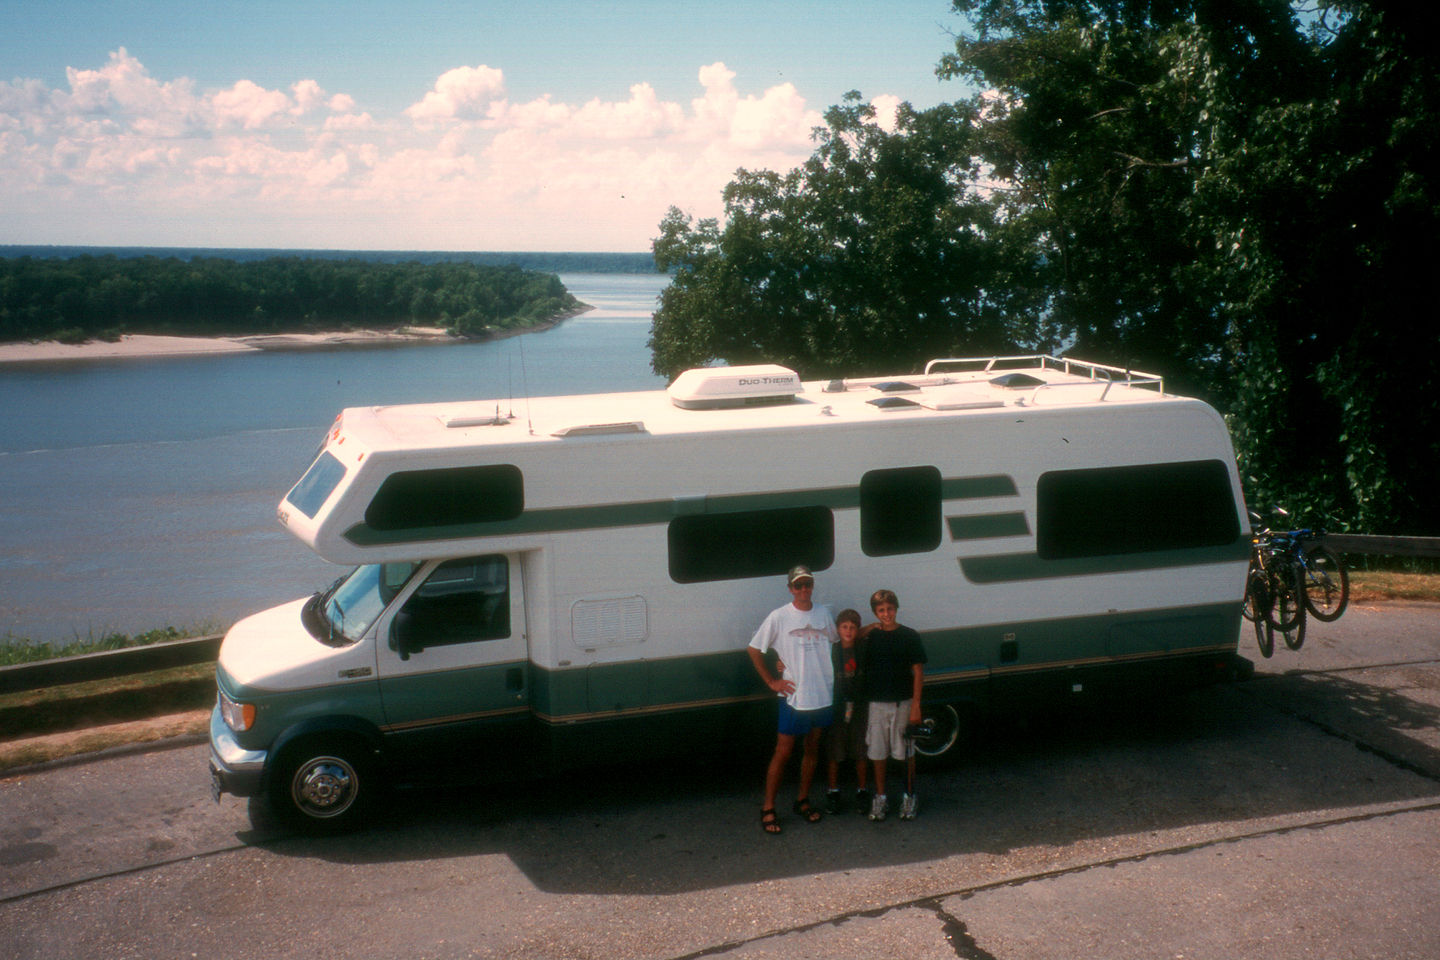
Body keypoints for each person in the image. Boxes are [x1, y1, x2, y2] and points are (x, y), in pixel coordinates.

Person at [748, 565, 838, 834]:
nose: (803, 589)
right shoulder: (779, 616)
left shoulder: (823, 614)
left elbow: (838, 639)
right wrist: (771, 680)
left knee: (812, 749)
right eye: (798, 585)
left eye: (807, 584)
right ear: (790, 589)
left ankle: (802, 800)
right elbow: (754, 649)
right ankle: (768, 807)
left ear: (812, 586)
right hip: (792, 696)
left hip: (822, 694)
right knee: (783, 751)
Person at [859, 588, 927, 821]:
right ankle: (881, 797)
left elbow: (918, 671)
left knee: (905, 752)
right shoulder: (870, 637)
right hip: (877, 704)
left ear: (896, 609)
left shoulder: (909, 635)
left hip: (903, 703)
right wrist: (868, 628)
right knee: (877, 752)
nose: (886, 614)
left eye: (889, 609)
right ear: (875, 613)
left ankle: (909, 796)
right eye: (881, 611)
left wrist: (916, 705)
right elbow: (848, 637)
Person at [822, 608, 871, 815]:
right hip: (837, 705)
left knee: (860, 750)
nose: (848, 631)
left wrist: (873, 626)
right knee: (835, 751)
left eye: (852, 627)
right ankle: (833, 791)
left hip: (859, 705)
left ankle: (862, 791)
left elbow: (873, 632)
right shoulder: (831, 649)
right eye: (844, 627)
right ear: (837, 629)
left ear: (858, 630)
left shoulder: (863, 648)